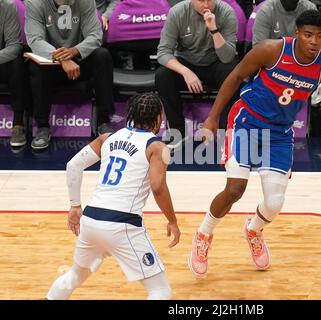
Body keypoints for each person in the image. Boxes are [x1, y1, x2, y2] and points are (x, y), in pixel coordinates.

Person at [188, 10, 321, 277]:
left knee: (275, 202)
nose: (314, 41)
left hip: (279, 133)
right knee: (235, 189)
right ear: (297, 34)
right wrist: (211, 118)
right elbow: (234, 77)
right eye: (309, 35)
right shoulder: (271, 50)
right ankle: (203, 234)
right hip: (248, 121)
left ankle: (253, 229)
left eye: (320, 36)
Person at [46, 92, 181, 300]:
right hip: (122, 224)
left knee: (73, 277)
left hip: (90, 221)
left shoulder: (107, 137)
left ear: (131, 114)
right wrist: (172, 220)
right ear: (158, 119)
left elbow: (73, 165)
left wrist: (75, 206)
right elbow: (158, 187)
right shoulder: (157, 147)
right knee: (160, 290)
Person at [252, 0, 321, 144]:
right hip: (276, 69)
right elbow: (258, 47)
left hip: (306, 64)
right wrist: (290, 56)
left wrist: (309, 54)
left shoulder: (309, 8)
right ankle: (257, 123)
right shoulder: (266, 11)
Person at [25, 0, 115, 150]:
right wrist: (62, 59)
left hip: (79, 60)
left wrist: (73, 52)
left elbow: (95, 36)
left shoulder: (85, 2)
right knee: (35, 65)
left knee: (102, 55)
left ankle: (104, 121)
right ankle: (42, 126)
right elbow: (35, 40)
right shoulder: (35, 3)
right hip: (50, 62)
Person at [156, 0, 239, 150]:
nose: (206, 4)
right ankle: (178, 132)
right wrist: (186, 72)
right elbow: (163, 52)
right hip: (187, 63)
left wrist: (214, 30)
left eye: (210, 0)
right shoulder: (177, 12)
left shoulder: (226, 12)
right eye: (201, 0)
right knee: (162, 75)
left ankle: (225, 134)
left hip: (216, 63)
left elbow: (227, 57)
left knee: (232, 72)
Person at [0, 0, 31, 147]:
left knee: (17, 62)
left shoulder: (7, 6)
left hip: (2, 63)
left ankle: (18, 123)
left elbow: (14, 46)